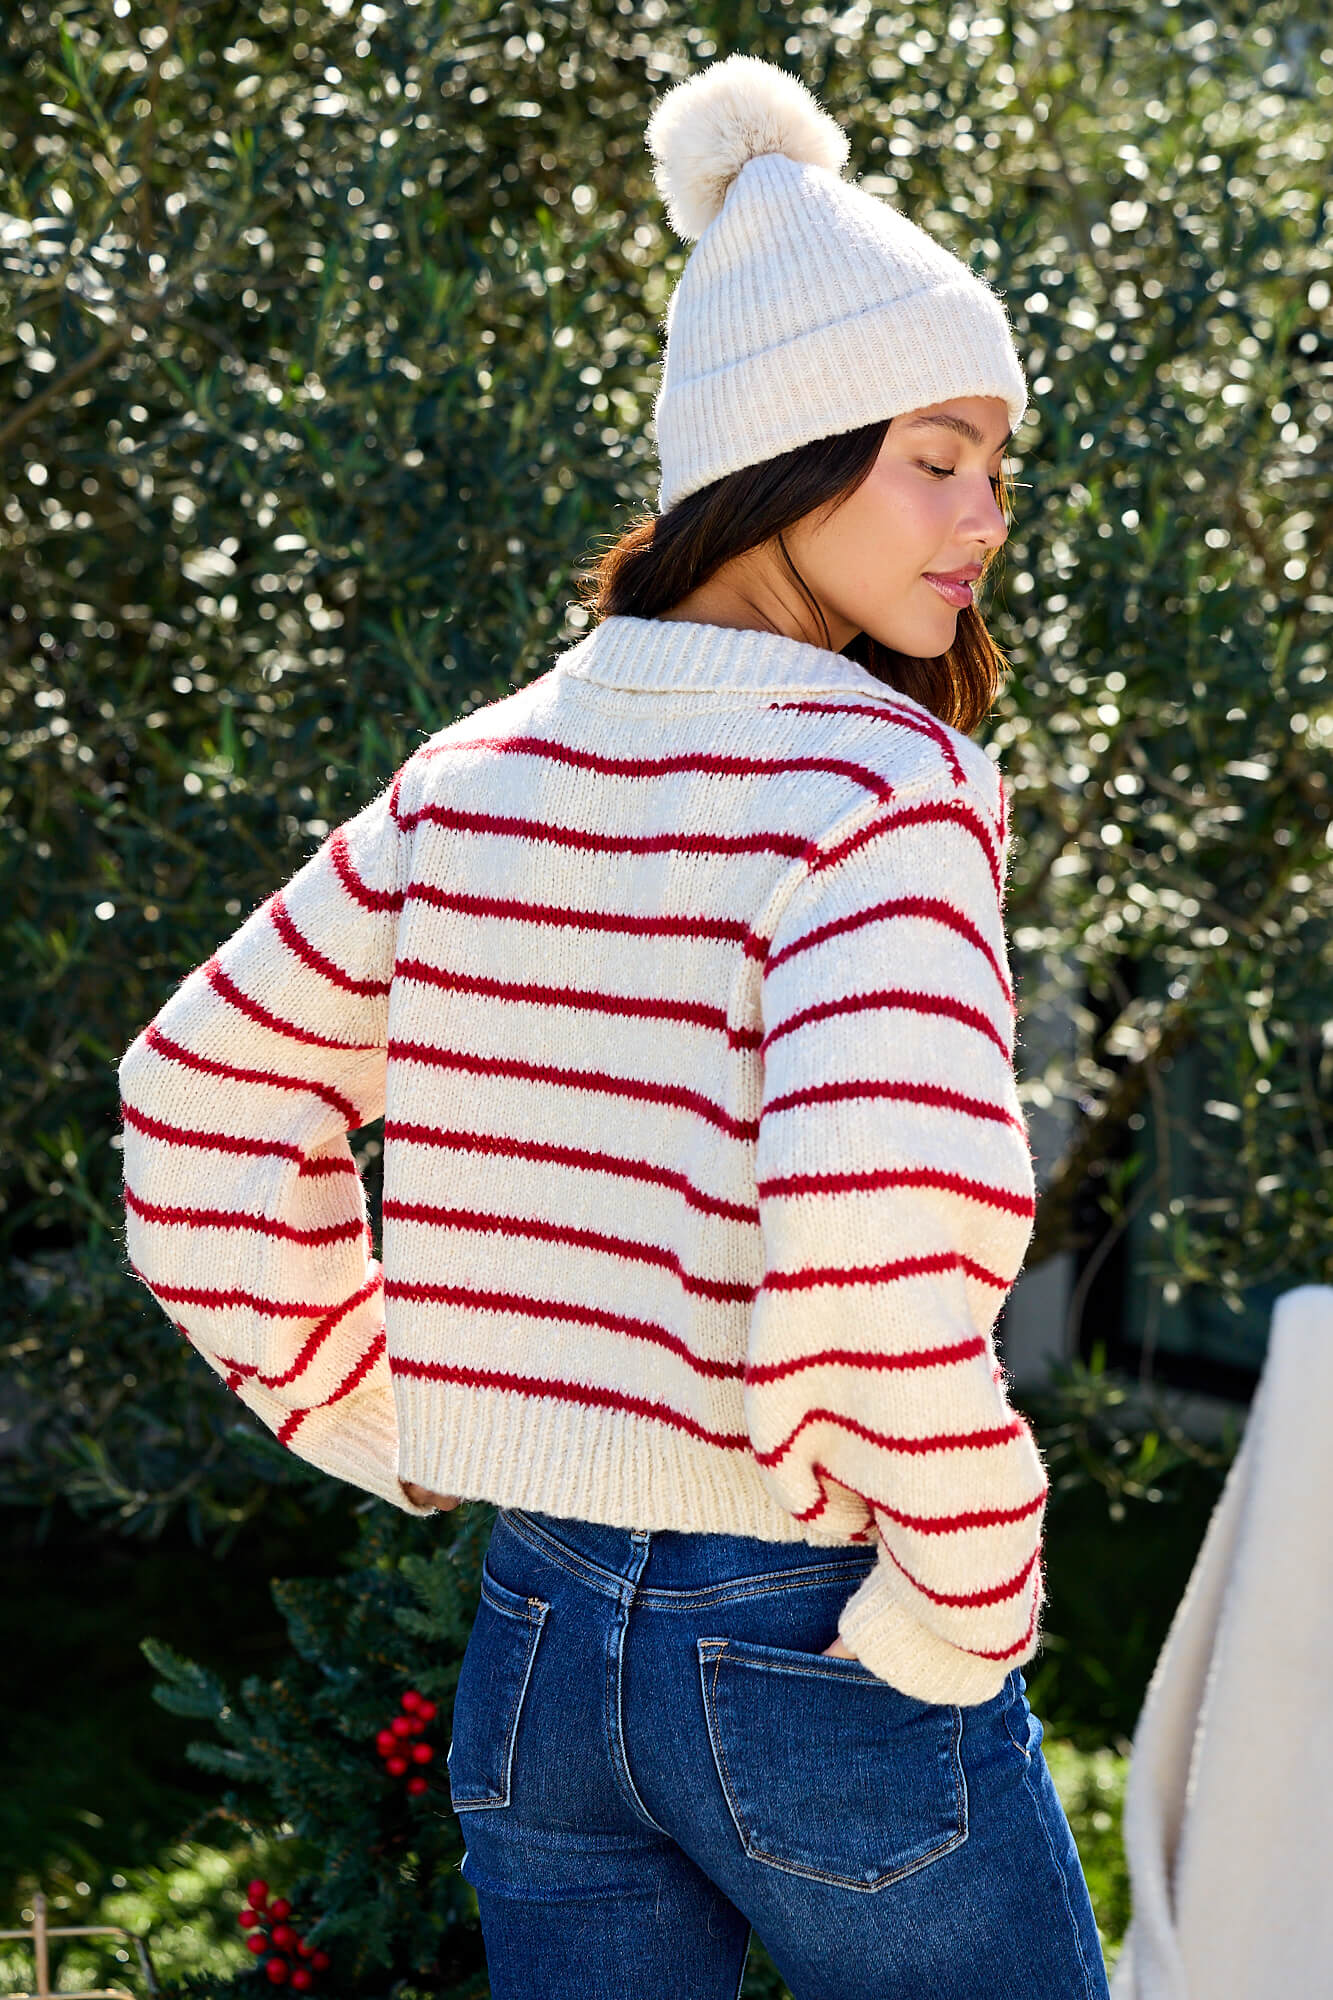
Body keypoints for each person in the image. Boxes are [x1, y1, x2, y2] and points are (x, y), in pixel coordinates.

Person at [116, 51, 1110, 2000]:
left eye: (996, 462)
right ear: (782, 446)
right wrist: (967, 1575)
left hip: (541, 1638)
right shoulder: (868, 790)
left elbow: (198, 1091)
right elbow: (874, 1212)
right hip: (816, 1633)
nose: (982, 512)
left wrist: (372, 1405)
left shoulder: (475, 772)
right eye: (933, 451)